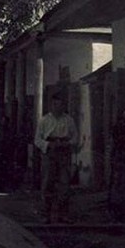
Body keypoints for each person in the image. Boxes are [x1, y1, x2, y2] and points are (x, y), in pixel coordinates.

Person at [35, 94, 79, 223]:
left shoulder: (69, 120)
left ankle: (63, 214)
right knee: (48, 182)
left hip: (64, 152)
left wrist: (67, 143)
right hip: (50, 152)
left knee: (65, 183)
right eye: (55, 104)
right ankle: (46, 214)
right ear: (51, 105)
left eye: (60, 104)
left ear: (63, 106)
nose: (57, 107)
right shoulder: (44, 120)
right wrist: (49, 144)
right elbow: (37, 140)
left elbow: (75, 137)